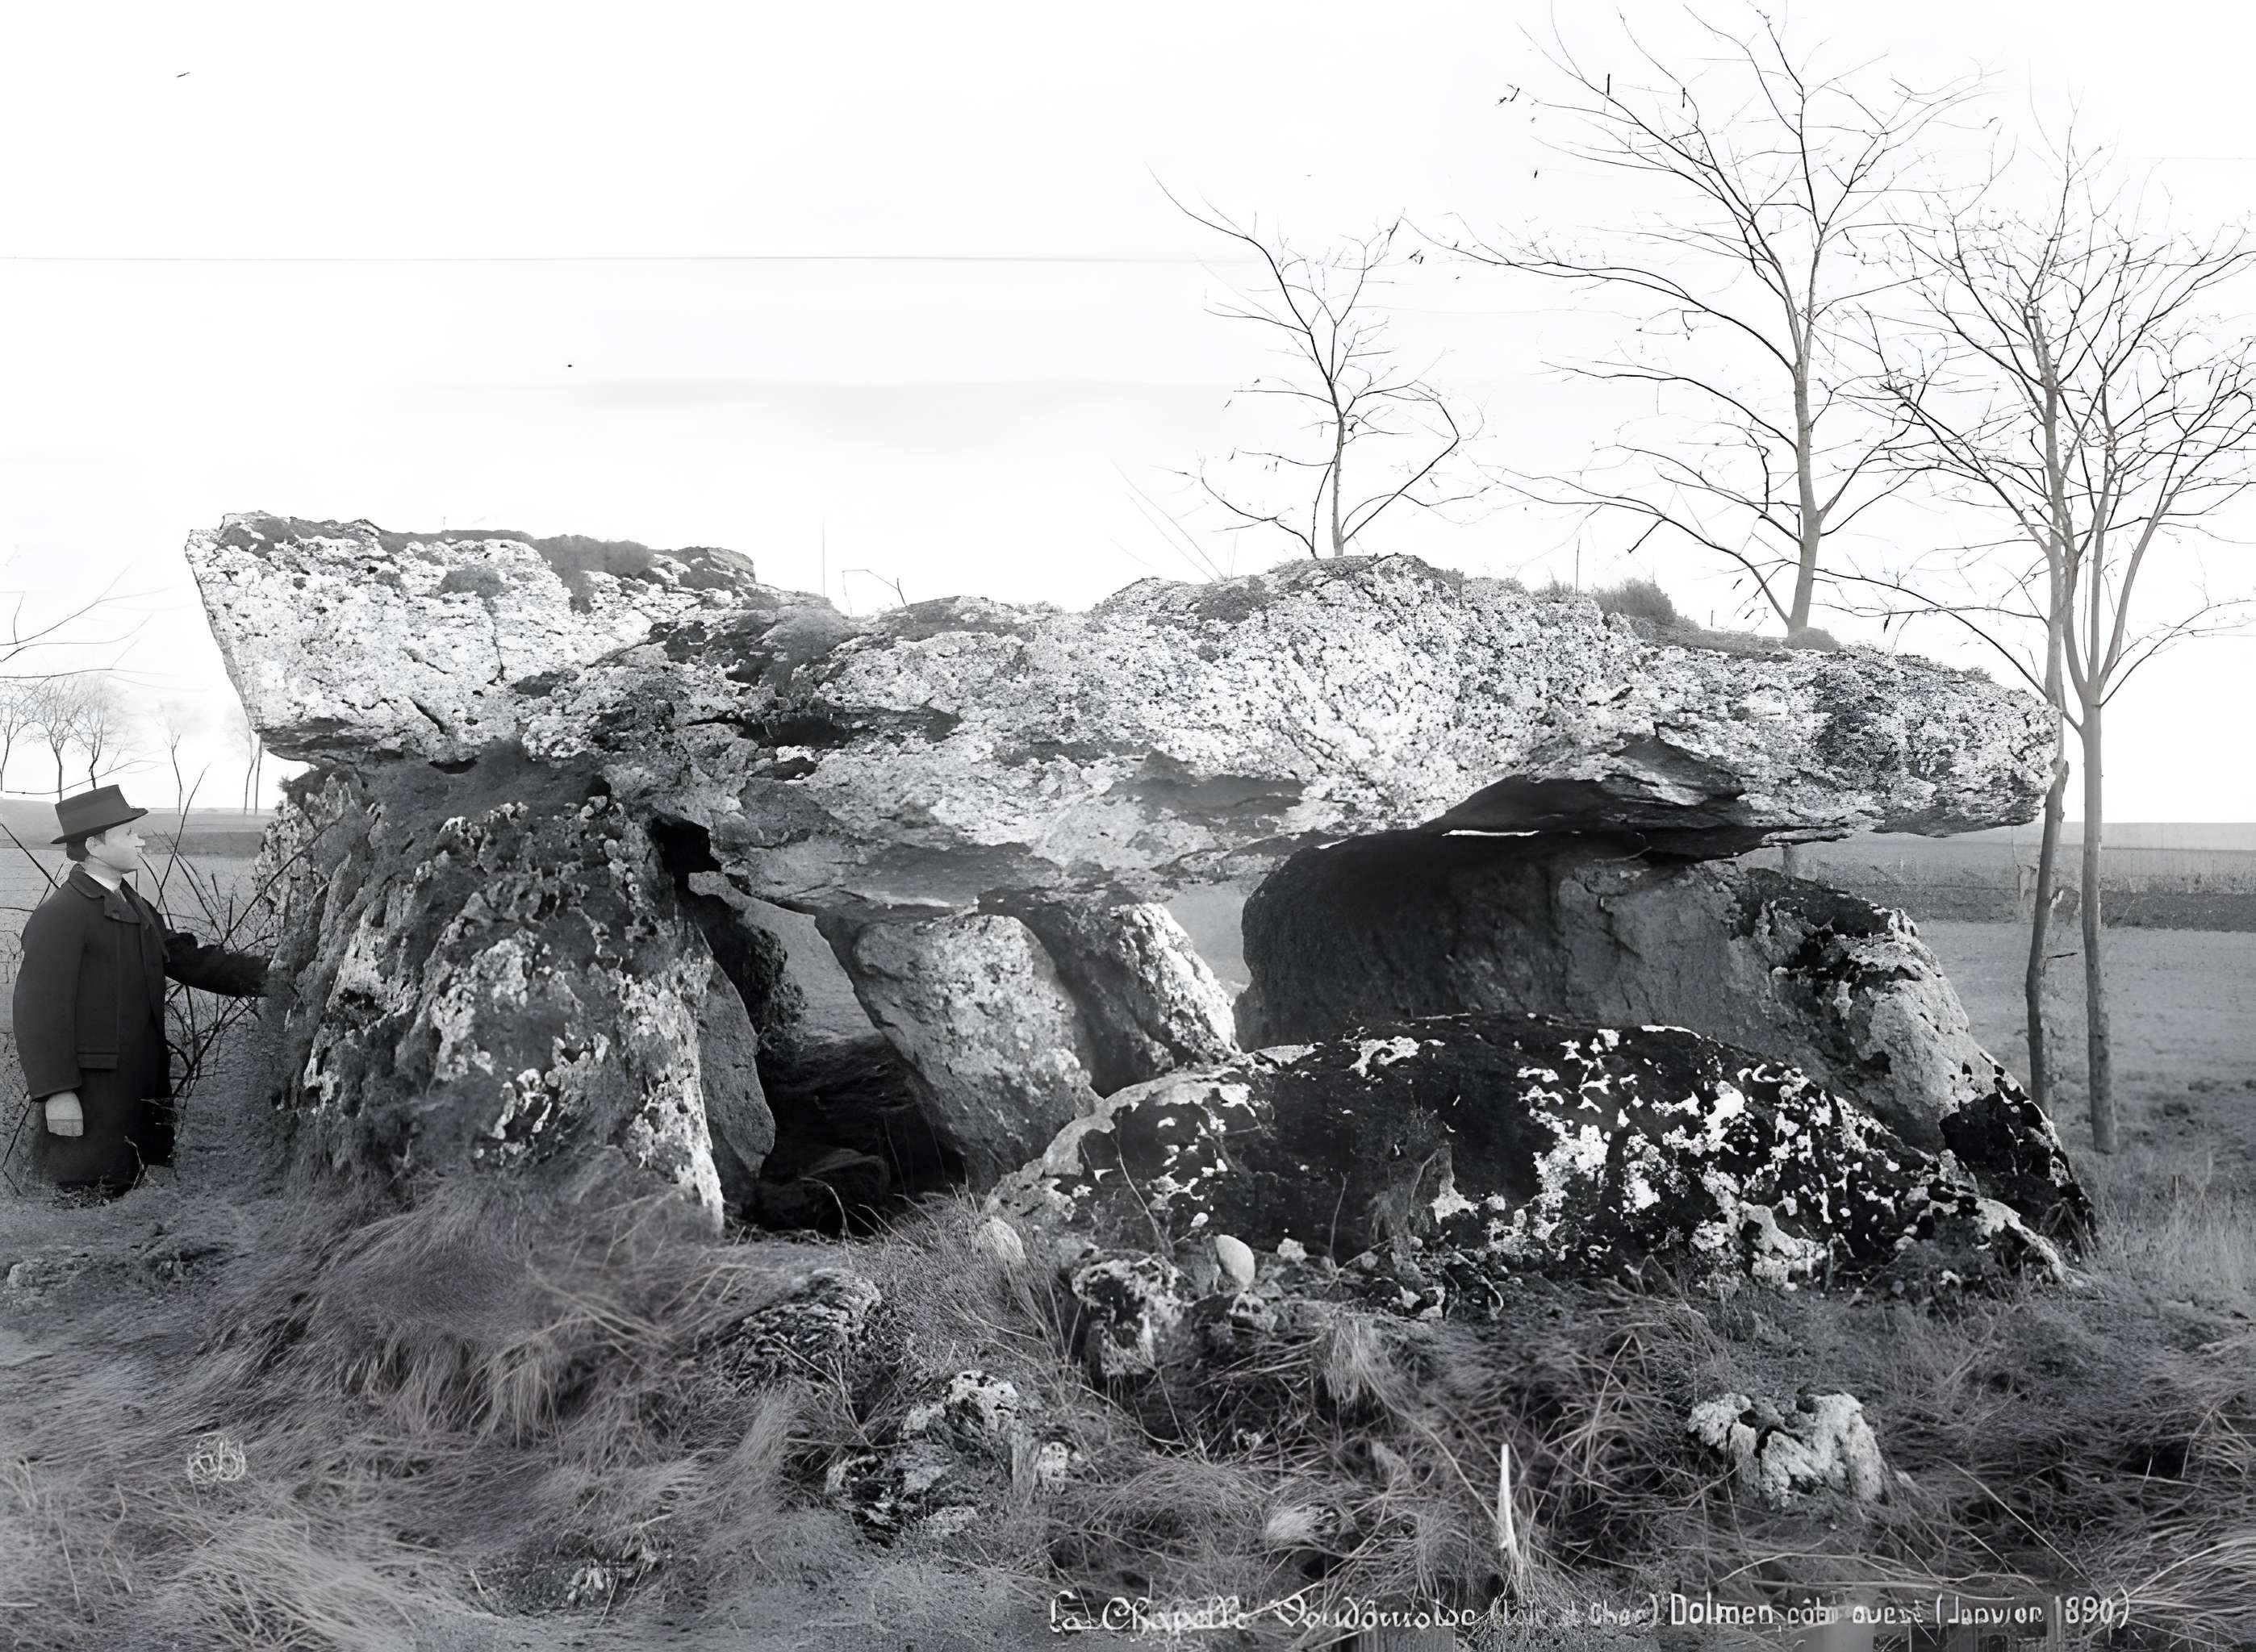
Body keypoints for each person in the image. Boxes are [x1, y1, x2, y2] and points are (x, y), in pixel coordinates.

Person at [10, 784, 273, 1199]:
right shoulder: (61, 915)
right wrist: (57, 1093)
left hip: (134, 1088)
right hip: (92, 1096)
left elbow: (187, 960)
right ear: (94, 844)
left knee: (122, 1197)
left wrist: (274, 977)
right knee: (85, 1198)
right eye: (129, 834)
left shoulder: (134, 904)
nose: (142, 840)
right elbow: (37, 1011)